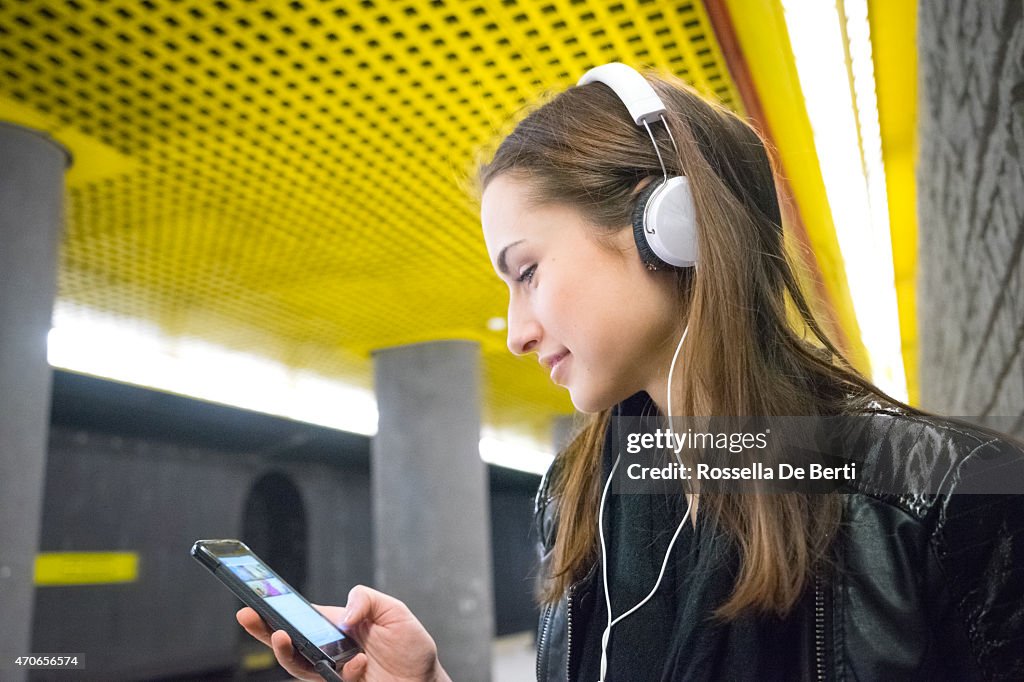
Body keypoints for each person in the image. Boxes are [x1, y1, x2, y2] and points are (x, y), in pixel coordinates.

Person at [239, 63, 1024, 680]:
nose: (515, 333)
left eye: (528, 271)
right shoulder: (576, 497)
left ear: (667, 227)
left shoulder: (945, 495)